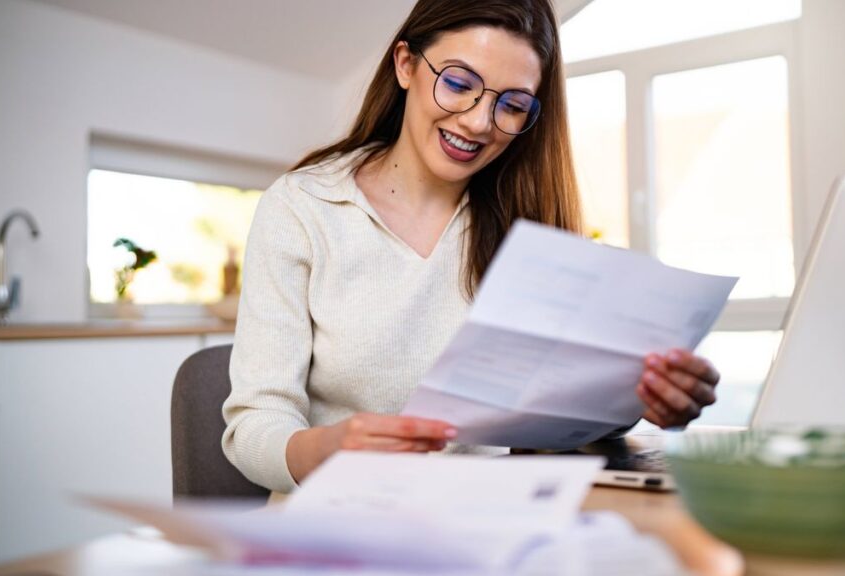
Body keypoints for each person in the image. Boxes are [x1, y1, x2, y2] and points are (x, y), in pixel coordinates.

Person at [222, 0, 721, 495]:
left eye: (512, 106)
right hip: (335, 520)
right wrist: (327, 449)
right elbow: (253, 427)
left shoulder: (526, 224)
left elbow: (555, 417)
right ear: (405, 64)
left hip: (487, 515)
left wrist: (637, 399)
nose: (480, 122)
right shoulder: (303, 208)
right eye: (460, 84)